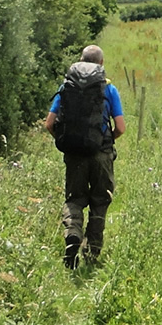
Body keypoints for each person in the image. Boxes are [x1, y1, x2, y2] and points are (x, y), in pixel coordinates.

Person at [45, 45, 125, 269]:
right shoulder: (109, 88)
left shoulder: (66, 86)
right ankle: (91, 254)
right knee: (100, 201)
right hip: (102, 153)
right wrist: (106, 142)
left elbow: (49, 124)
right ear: (101, 64)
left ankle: (72, 235)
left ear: (80, 61)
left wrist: (67, 143)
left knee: (74, 199)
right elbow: (120, 127)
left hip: (74, 154)